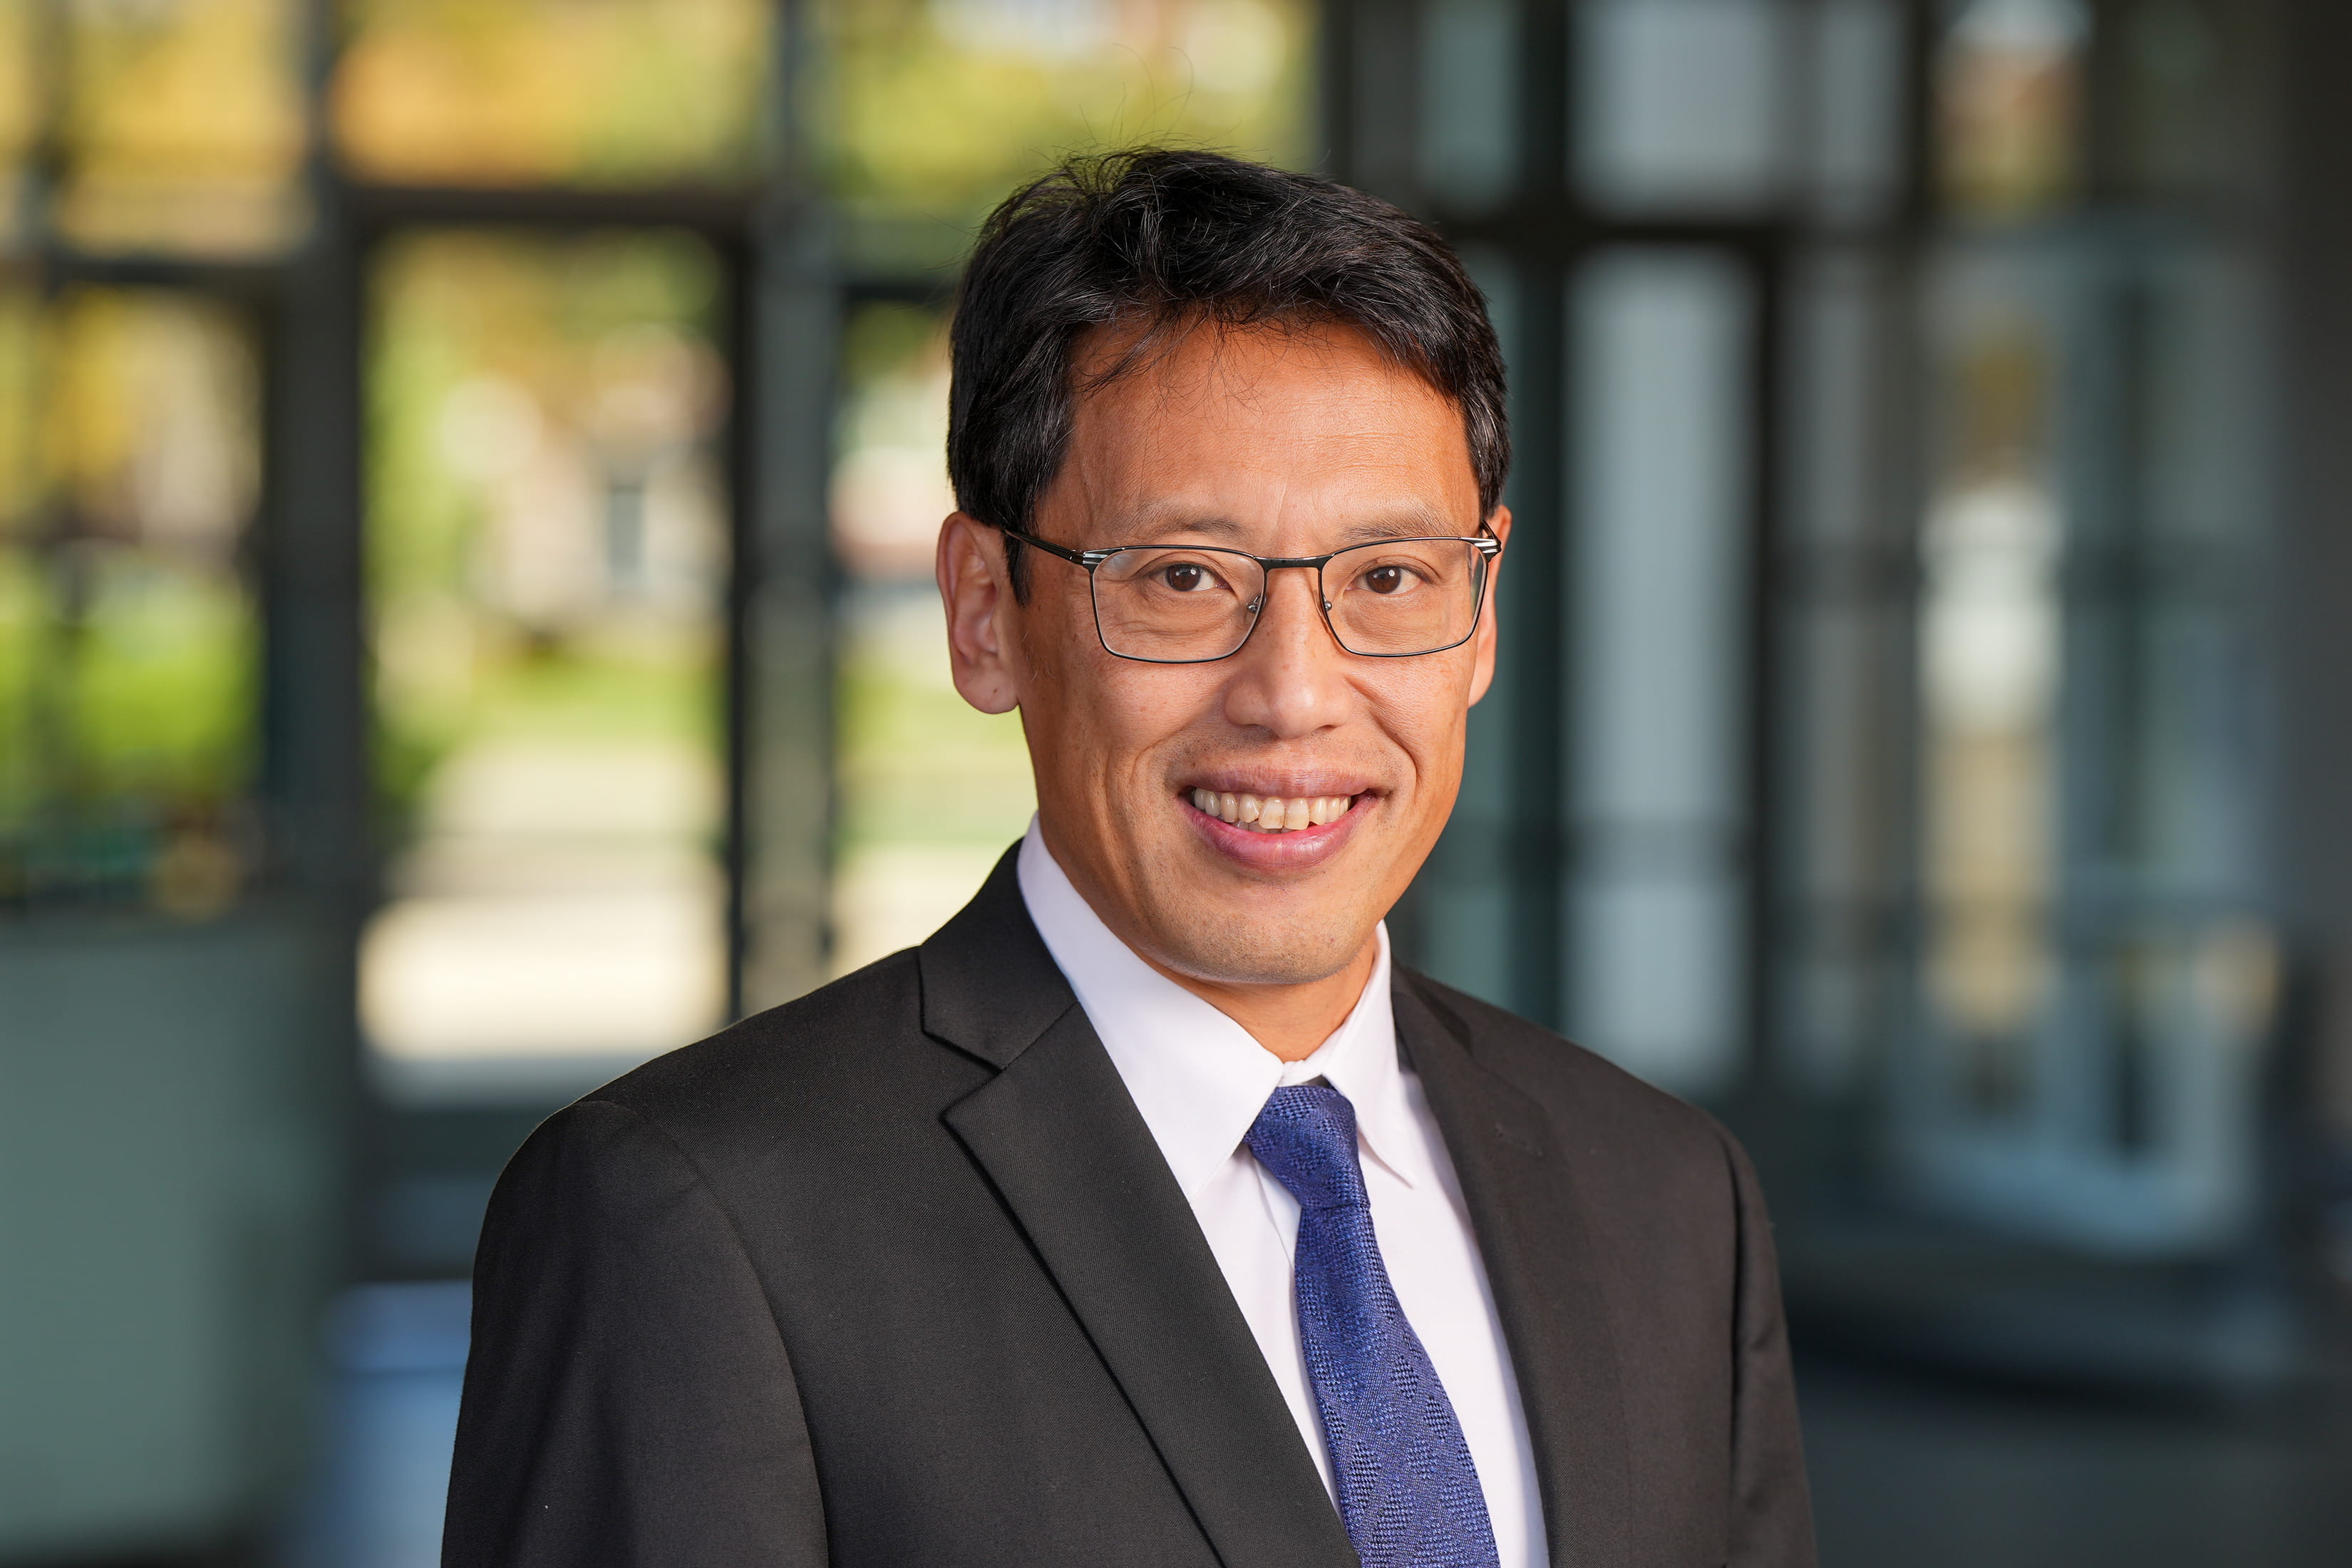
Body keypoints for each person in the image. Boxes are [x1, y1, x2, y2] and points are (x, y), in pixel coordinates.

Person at [443, 148, 1815, 1568]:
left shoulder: (1666, 1195)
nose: (1294, 693)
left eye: (1389, 579)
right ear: (987, 611)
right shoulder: (699, 1220)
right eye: (1180, 579)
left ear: (1480, 614)